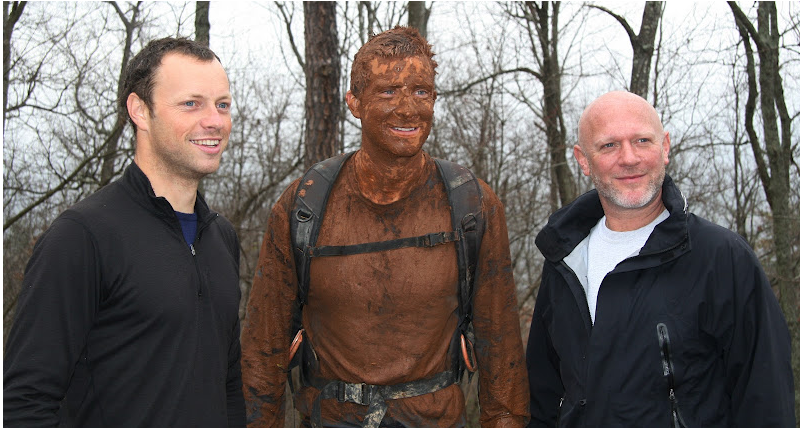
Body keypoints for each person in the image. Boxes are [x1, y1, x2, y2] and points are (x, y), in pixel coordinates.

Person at [241, 26, 529, 427]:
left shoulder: (471, 206)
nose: (408, 108)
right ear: (354, 102)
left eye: (422, 91)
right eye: (389, 91)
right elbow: (263, 350)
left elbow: (502, 355)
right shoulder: (304, 206)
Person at [3, 37, 246, 427]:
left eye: (223, 105)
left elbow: (228, 385)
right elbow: (24, 403)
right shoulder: (82, 237)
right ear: (140, 110)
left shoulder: (221, 239)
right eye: (191, 103)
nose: (215, 120)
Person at [526, 90, 794, 427]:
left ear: (664, 147)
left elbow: (765, 399)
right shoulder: (565, 260)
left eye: (642, 140)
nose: (629, 158)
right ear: (583, 160)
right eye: (609, 145)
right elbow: (543, 395)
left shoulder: (722, 258)